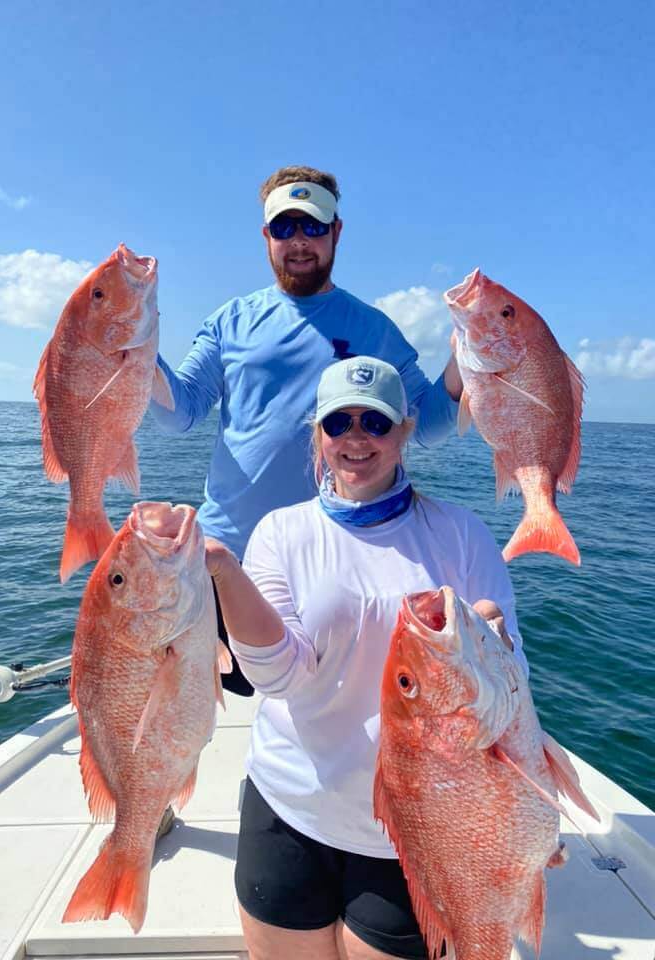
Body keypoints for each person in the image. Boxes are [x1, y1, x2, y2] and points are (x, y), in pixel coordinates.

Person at [204, 356, 527, 960]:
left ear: (405, 431)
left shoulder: (461, 534)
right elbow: (282, 677)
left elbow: (515, 685)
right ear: (317, 436)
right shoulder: (280, 532)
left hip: (418, 824)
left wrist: (497, 650)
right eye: (338, 423)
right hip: (290, 803)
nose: (356, 438)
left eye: (375, 423)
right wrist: (224, 572)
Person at [150, 165, 463, 695]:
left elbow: (427, 425)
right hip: (225, 557)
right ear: (266, 236)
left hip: (331, 560)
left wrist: (469, 359)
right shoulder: (231, 320)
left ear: (336, 232)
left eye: (313, 227)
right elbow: (180, 412)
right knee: (212, 708)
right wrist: (136, 354)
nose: (299, 242)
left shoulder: (373, 328)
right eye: (285, 227)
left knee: (323, 709)